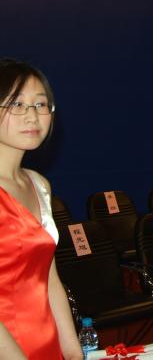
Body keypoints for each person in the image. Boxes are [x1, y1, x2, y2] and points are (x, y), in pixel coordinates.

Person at [0, 59, 82, 360]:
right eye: (16, 104)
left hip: (45, 344)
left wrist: (71, 350)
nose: (32, 116)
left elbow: (48, 277)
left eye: (41, 104)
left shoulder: (39, 185)